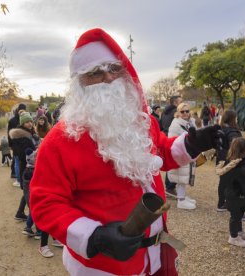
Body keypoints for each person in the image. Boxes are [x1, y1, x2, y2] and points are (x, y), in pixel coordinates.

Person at [29, 28, 220, 276]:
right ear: (79, 83)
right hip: (103, 267)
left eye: (114, 68)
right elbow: (46, 203)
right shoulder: (60, 140)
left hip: (153, 256)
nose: (108, 77)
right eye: (95, 72)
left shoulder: (140, 120)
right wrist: (94, 236)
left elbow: (159, 151)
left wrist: (192, 144)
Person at [215, 137, 245, 248]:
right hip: (234, 195)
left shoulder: (233, 161)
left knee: (238, 214)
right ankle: (233, 237)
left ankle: (239, 232)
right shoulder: (236, 164)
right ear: (244, 151)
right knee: (235, 216)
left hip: (237, 194)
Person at [21, 148, 54, 258]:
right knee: (46, 218)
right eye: (36, 157)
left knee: (52, 217)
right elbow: (31, 189)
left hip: (48, 196)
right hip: (40, 200)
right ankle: (43, 245)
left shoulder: (39, 168)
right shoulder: (30, 171)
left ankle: (55, 238)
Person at [167, 103, 197, 210]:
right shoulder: (176, 124)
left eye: (187, 111)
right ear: (178, 113)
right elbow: (171, 140)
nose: (185, 113)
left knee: (184, 177)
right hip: (181, 154)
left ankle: (182, 197)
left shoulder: (190, 123)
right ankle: (181, 200)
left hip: (188, 154)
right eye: (182, 111)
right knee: (180, 177)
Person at [9, 111, 39, 220]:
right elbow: (21, 155)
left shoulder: (29, 133)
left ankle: (19, 213)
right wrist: (33, 153)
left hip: (30, 165)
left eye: (30, 121)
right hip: (26, 166)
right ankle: (33, 220)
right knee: (28, 192)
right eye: (27, 122)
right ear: (22, 123)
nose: (30, 124)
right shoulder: (22, 136)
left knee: (27, 191)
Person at [215, 110, 242, 212]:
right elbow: (236, 146)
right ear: (232, 119)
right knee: (233, 183)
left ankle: (222, 203)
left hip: (221, 158)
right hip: (230, 160)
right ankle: (232, 205)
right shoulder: (232, 132)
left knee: (223, 182)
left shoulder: (221, 129)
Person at [7, 103, 27, 183]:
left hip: (15, 144)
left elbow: (9, 134)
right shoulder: (24, 119)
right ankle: (20, 179)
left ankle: (18, 179)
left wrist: (10, 144)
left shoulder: (12, 120)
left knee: (17, 161)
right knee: (20, 162)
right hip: (22, 143)